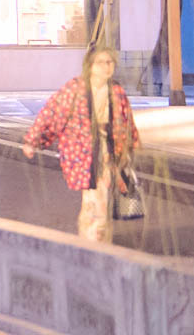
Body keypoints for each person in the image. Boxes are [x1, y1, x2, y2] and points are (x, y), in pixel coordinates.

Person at [21, 46, 139, 242]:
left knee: (96, 198)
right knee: (97, 198)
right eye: (101, 62)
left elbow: (127, 122)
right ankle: (96, 241)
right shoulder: (75, 89)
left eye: (110, 62)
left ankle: (91, 240)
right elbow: (51, 113)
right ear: (90, 65)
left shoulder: (116, 91)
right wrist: (33, 140)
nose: (107, 67)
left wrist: (129, 148)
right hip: (83, 153)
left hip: (109, 151)